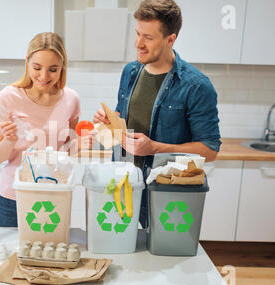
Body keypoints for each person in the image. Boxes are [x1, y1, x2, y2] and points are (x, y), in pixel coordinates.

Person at [93, 0, 221, 228]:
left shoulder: (196, 86)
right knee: (122, 255)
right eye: (137, 34)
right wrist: (109, 122)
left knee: (159, 257)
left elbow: (209, 150)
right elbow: (124, 120)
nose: (138, 44)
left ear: (170, 39)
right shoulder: (130, 71)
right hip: (123, 186)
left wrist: (155, 147)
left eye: (148, 38)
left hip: (164, 192)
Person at [0, 32, 91, 227]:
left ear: (63, 68)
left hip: (54, 197)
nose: (44, 76)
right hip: (13, 198)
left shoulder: (71, 99)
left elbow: (67, 150)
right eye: (37, 68)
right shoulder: (8, 97)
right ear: (27, 62)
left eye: (53, 69)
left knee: (49, 255)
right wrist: (9, 141)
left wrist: (80, 144)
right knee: (8, 255)